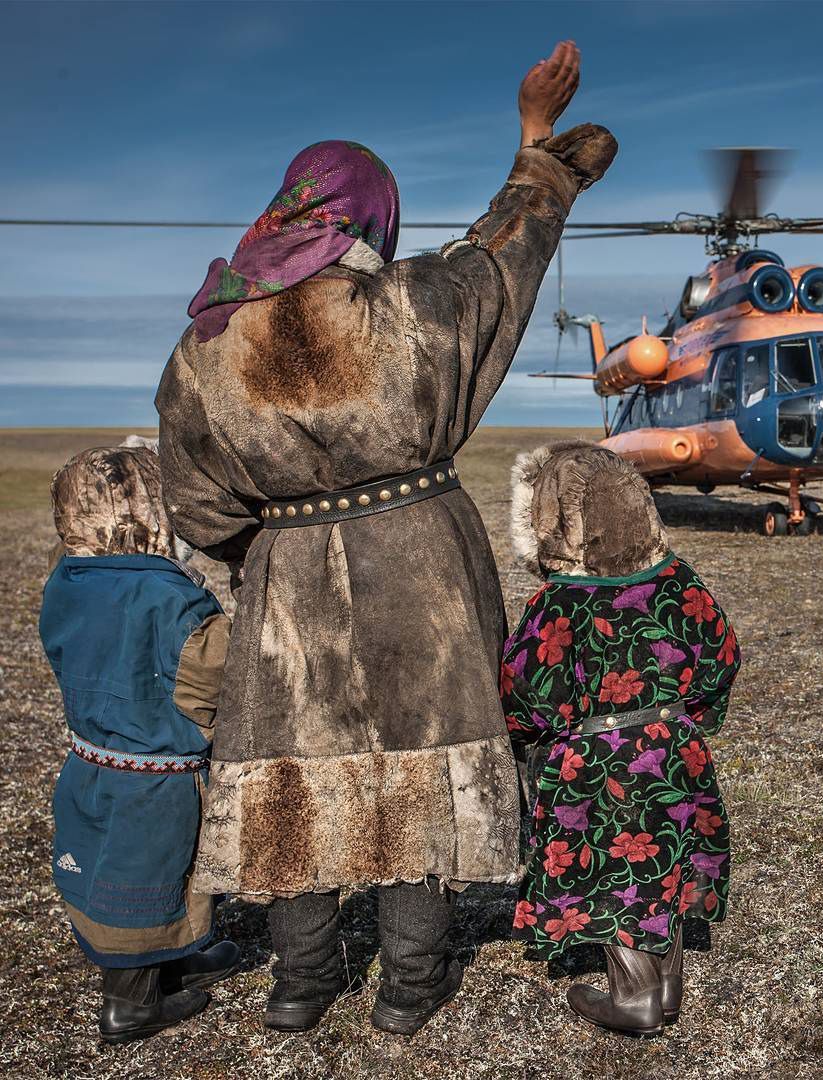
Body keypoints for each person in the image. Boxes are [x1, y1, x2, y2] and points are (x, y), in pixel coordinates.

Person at [155, 42, 618, 1035]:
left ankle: (300, 979)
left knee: (292, 779)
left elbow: (197, 506)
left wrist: (268, 550)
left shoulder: (204, 347)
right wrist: (537, 141)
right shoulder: (410, 305)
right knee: (421, 770)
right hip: (424, 565)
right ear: (375, 216)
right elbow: (503, 255)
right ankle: (409, 984)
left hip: (289, 575)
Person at [501, 443, 740, 1037]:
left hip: (594, 757)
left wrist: (531, 739)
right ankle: (666, 986)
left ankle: (635, 997)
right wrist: (689, 721)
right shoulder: (681, 581)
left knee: (613, 868)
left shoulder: (558, 602)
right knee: (665, 857)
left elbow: (526, 692)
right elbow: (721, 653)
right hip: (674, 745)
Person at [40, 446, 239, 1044]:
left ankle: (174, 957)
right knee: (142, 876)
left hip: (89, 761)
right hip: (154, 775)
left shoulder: (68, 578)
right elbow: (211, 677)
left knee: (113, 863)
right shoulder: (168, 596)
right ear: (157, 510)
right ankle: (131, 1005)